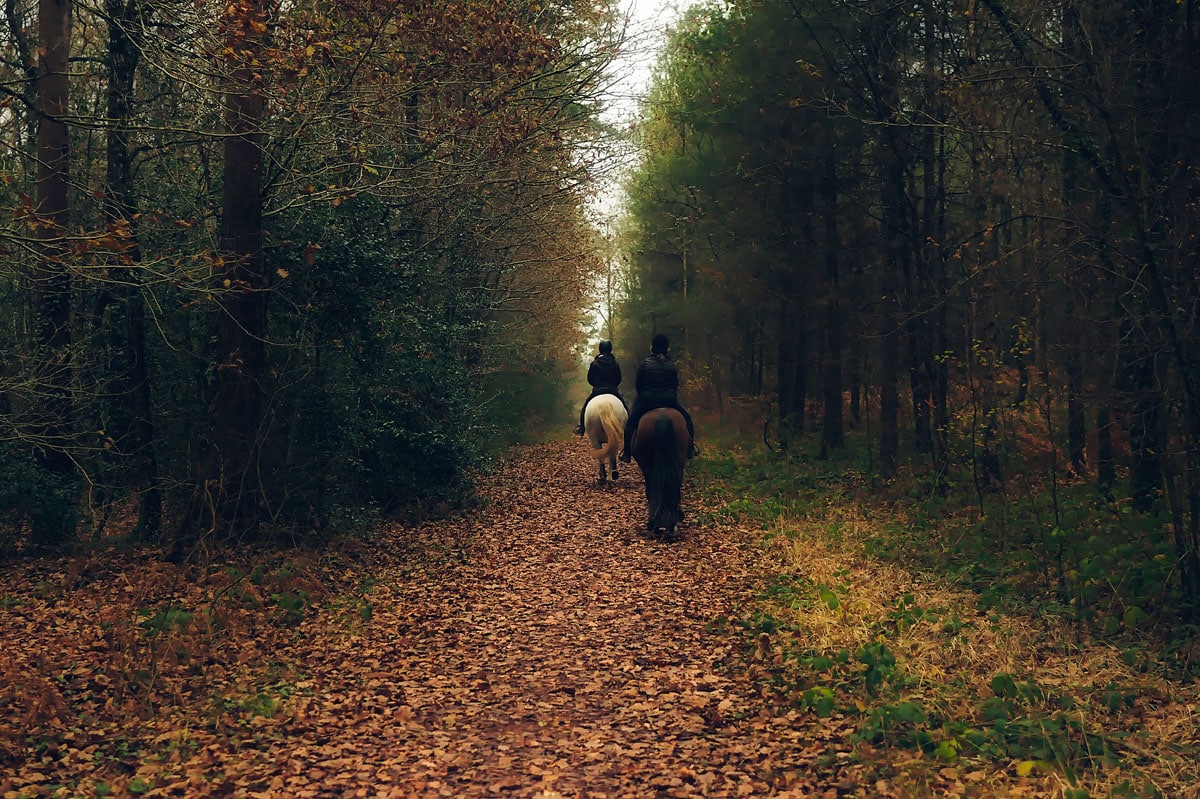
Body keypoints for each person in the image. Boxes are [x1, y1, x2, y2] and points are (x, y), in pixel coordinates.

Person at [620, 333, 697, 462]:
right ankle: (690, 449)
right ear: (667, 348)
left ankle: (627, 453)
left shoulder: (644, 364)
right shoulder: (671, 365)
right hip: (669, 401)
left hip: (648, 401)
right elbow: (675, 385)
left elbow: (639, 385)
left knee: (631, 424)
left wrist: (644, 395)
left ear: (652, 348)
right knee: (688, 421)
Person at [574, 340, 626, 435]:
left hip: (597, 390)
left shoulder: (595, 363)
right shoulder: (615, 363)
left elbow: (590, 379)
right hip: (612, 390)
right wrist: (612, 385)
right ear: (610, 349)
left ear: (600, 349)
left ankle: (581, 427)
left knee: (585, 407)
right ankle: (628, 427)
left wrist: (597, 385)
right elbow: (619, 378)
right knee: (624, 406)